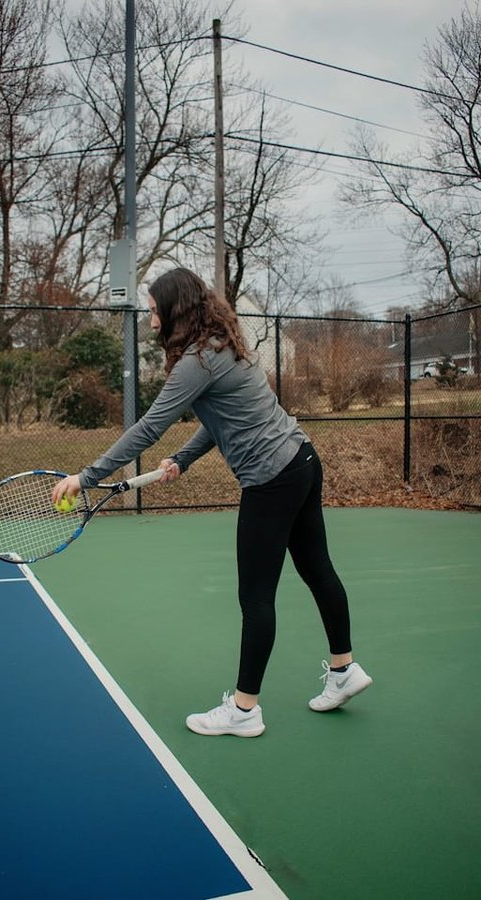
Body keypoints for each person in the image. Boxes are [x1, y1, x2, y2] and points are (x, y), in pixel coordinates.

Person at [52, 267, 372, 737]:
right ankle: (344, 671)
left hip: (272, 479)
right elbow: (218, 418)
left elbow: (149, 427)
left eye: (154, 307)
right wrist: (183, 458)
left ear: (174, 310)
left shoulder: (196, 362)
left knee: (257, 597)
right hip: (302, 460)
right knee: (317, 569)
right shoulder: (224, 344)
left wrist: (86, 476)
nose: (150, 314)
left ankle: (244, 711)